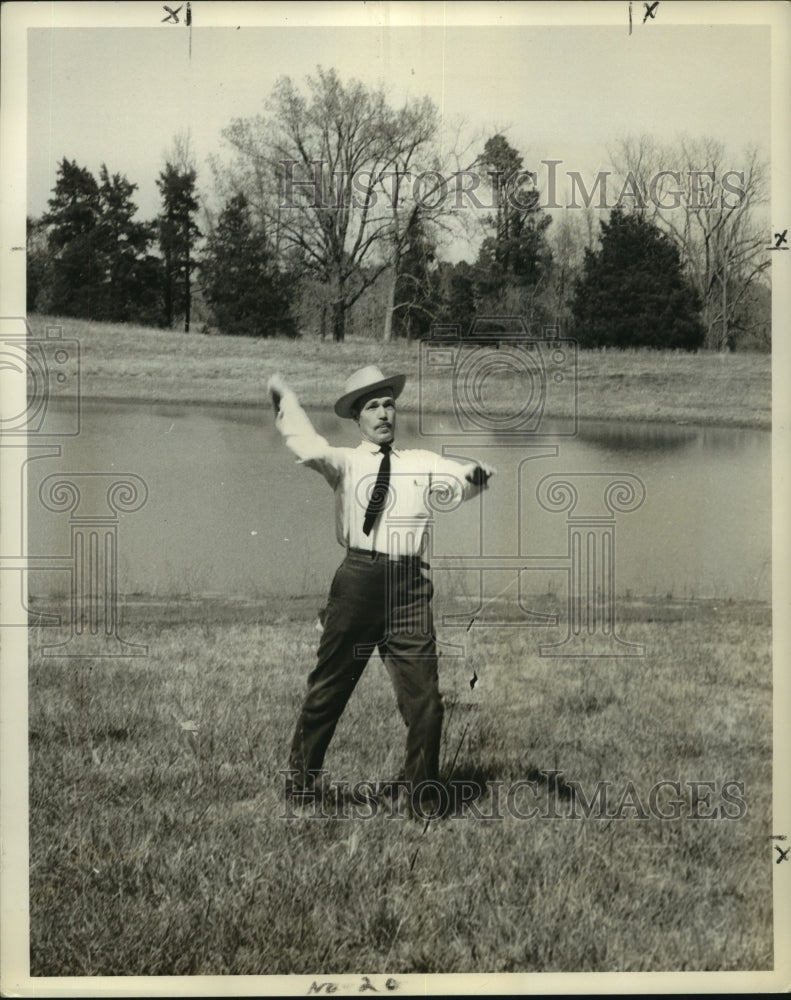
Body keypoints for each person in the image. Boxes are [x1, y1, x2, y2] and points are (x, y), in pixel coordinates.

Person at [268, 365, 495, 815]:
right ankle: (300, 788)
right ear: (357, 417)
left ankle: (422, 799)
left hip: (409, 591)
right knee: (329, 689)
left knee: (426, 701)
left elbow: (460, 481)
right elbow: (306, 444)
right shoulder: (345, 463)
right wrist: (284, 401)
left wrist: (477, 474)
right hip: (357, 583)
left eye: (388, 403)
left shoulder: (422, 463)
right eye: (372, 406)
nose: (383, 413)